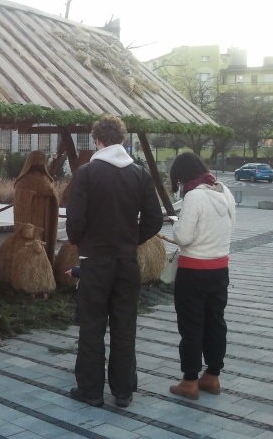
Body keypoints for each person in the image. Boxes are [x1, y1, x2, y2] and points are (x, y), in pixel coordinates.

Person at [65, 115, 163, 408]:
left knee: (92, 325)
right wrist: (132, 240)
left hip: (95, 260)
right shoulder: (140, 173)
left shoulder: (87, 173)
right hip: (126, 261)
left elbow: (75, 221)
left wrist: (82, 240)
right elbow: (155, 220)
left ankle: (91, 391)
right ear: (122, 140)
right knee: (124, 325)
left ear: (97, 140)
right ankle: (123, 391)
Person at [168, 152, 236, 400]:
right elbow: (230, 224)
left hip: (194, 270)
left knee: (191, 325)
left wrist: (176, 222)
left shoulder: (194, 196)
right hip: (220, 268)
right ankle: (213, 376)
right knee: (215, 322)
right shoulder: (224, 191)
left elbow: (183, 237)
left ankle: (189, 381)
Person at [13, 150, 59, 263]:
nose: (39, 163)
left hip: (45, 216)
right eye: (36, 160)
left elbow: (53, 192)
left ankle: (45, 264)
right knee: (30, 240)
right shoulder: (24, 180)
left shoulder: (46, 178)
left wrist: (52, 195)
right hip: (31, 217)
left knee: (44, 239)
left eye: (41, 160)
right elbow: (19, 195)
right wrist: (36, 194)